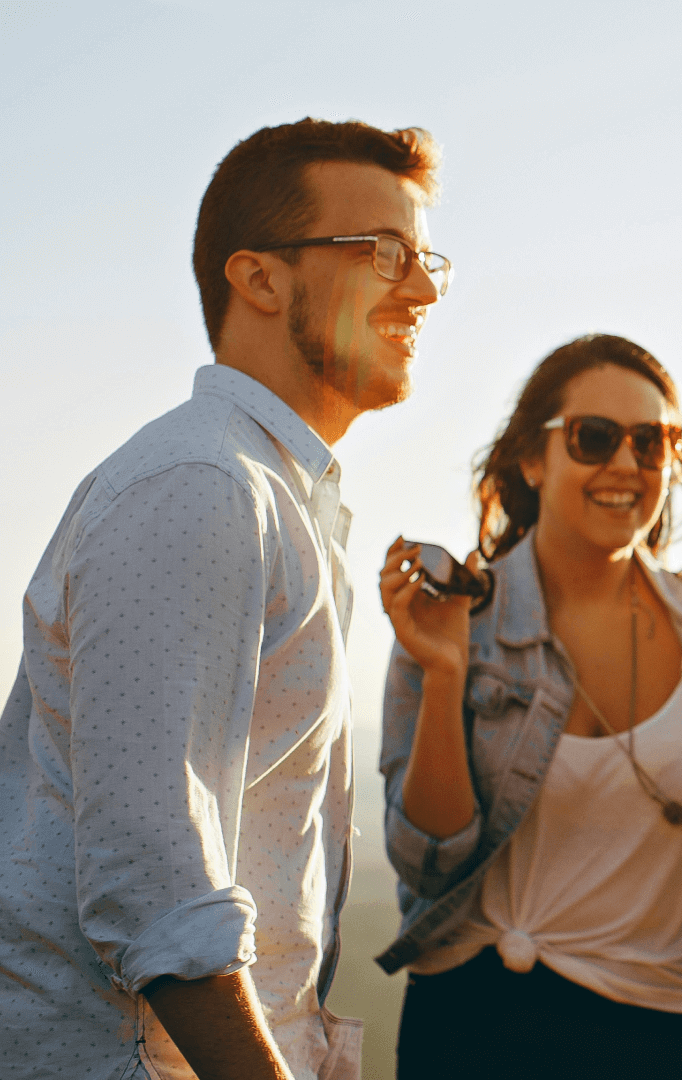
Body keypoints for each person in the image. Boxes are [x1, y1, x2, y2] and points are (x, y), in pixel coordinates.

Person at [0, 119, 446, 1079]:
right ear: (261, 277)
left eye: (425, 257)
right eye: (384, 252)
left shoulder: (272, 494)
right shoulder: (204, 484)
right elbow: (158, 894)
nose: (422, 288)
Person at [374, 334, 682, 1079]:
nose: (625, 465)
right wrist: (443, 675)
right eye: (595, 437)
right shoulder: (453, 618)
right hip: (469, 1032)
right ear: (532, 459)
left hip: (661, 1042)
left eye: (653, 442)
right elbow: (428, 863)